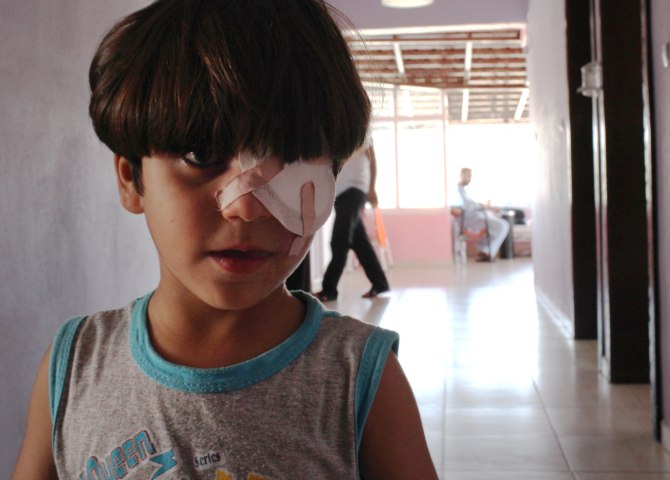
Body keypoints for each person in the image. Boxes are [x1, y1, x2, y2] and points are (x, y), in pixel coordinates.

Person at [11, 1, 438, 479]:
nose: (246, 206)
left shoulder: (361, 379)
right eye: (203, 154)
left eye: (290, 161)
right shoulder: (73, 366)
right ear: (131, 179)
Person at [316, 140, 390, 302]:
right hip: (341, 193)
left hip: (354, 190)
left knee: (339, 240)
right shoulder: (337, 135)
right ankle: (380, 283)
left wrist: (371, 188)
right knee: (360, 242)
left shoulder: (363, 134)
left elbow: (372, 160)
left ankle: (329, 289)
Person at [457, 167, 510, 262]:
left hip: (477, 216)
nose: (469, 178)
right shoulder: (458, 190)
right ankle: (486, 252)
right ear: (461, 176)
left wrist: (487, 207)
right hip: (470, 219)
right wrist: (486, 207)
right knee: (503, 226)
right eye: (468, 176)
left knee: (498, 224)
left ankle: (485, 251)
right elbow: (469, 206)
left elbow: (472, 204)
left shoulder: (463, 190)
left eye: (470, 176)